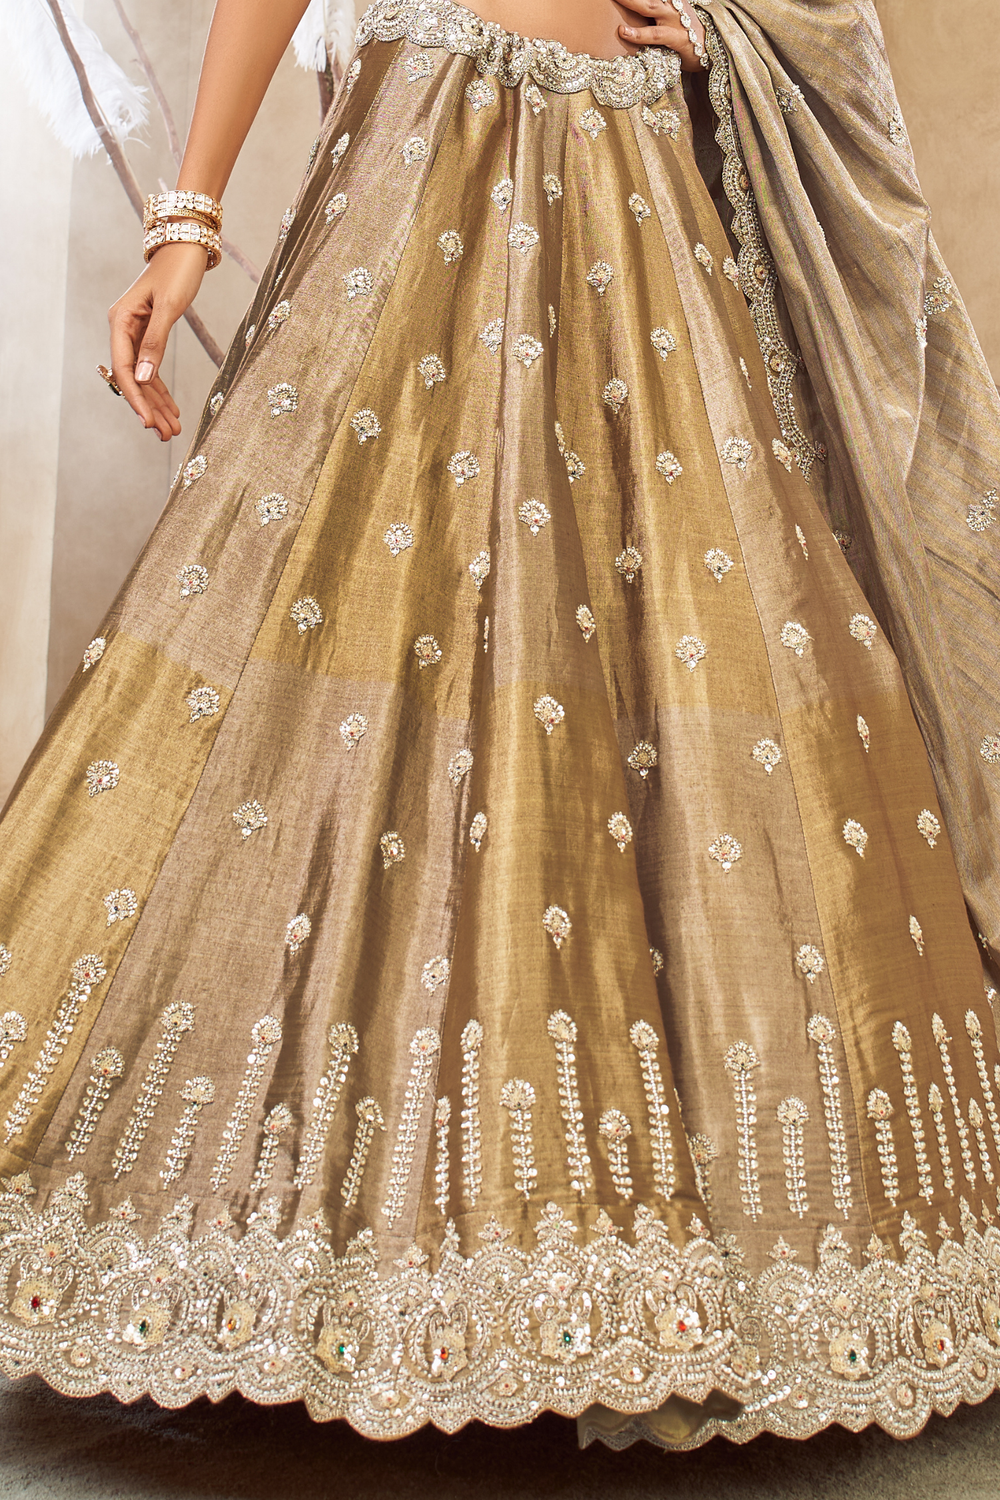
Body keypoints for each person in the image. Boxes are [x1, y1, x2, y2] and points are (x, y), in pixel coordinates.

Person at [1, 0, 999, 1453]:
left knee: (682, 668)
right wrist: (188, 219)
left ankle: (659, 1270)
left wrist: (727, 31)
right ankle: (321, 1246)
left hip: (637, 181)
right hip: (427, 154)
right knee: (329, 654)